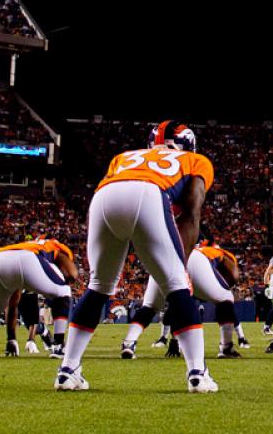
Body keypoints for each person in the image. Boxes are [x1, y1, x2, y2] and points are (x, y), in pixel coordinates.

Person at [55, 120, 218, 393]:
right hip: (149, 193)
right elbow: (191, 212)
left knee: (99, 286)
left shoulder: (125, 156)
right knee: (178, 284)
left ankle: (67, 369)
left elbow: (116, 194)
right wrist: (181, 264)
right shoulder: (196, 160)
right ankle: (197, 374)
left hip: (103, 198)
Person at [0, 238, 76, 359]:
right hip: (28, 259)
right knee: (64, 292)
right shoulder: (55, 247)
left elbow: (12, 304)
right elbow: (72, 274)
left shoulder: (27, 246)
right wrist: (64, 284)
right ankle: (59, 345)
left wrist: (11, 339)